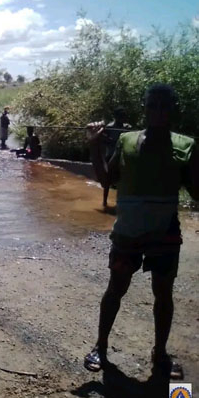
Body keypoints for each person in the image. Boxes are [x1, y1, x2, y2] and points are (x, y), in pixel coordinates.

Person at [83, 84, 199, 380]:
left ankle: (160, 353)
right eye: (152, 105)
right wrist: (94, 145)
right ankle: (100, 346)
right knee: (115, 289)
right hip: (128, 234)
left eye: (164, 105)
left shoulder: (186, 146)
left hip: (165, 234)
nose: (158, 111)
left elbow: (197, 192)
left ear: (174, 109)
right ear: (144, 107)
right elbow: (107, 179)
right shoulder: (127, 142)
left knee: (164, 295)